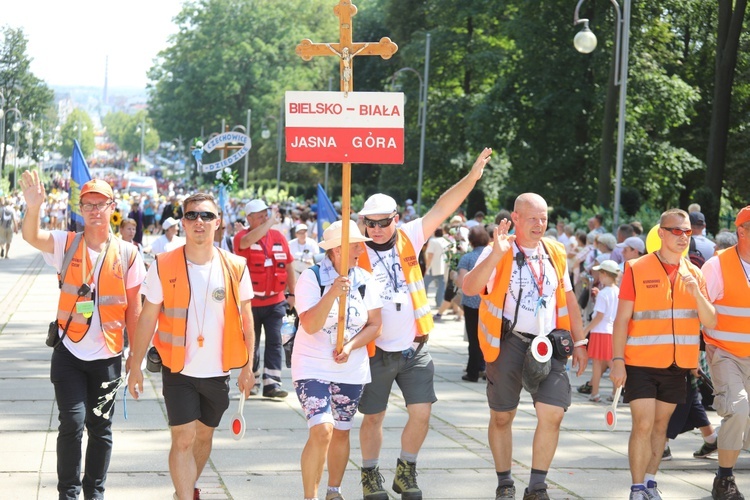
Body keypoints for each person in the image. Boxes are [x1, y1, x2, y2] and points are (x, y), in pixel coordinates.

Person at [356, 148, 493, 500]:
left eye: (383, 222)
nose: (377, 229)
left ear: (396, 219)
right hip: (374, 350)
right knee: (373, 418)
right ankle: (370, 474)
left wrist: (473, 176)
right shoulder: (354, 249)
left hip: (414, 346)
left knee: (422, 413)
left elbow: (443, 208)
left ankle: (406, 470)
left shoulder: (410, 236)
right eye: (369, 222)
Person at [20, 172, 146, 500]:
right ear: (80, 209)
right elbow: (32, 236)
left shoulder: (129, 254)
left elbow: (135, 308)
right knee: (72, 423)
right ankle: (68, 494)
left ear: (111, 207)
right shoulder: (66, 243)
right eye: (87, 204)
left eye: (100, 204)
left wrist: (136, 360)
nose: (93, 210)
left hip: (108, 357)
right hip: (69, 353)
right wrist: (33, 207)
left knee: (100, 429)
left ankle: (95, 493)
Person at [127, 193, 256, 500]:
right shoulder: (164, 264)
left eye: (207, 216)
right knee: (183, 438)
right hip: (178, 368)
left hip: (218, 370)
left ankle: (185, 489)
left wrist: (249, 367)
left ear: (219, 222)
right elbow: (147, 318)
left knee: (204, 437)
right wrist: (135, 365)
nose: (200, 222)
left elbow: (247, 321)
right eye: (193, 216)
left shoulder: (236, 266)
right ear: (183, 222)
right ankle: (186, 495)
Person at [462, 193, 587, 500]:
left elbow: (569, 298)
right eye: (532, 218)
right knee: (503, 416)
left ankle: (537, 486)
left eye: (543, 218)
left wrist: (581, 341)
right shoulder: (499, 250)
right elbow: (469, 288)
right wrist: (494, 254)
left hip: (549, 345)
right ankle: (505, 482)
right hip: (509, 343)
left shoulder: (556, 251)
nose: (539, 224)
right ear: (515, 218)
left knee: (553, 413)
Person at [610, 208, 717, 500]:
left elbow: (710, 320)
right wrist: (617, 361)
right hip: (639, 364)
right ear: (661, 233)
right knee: (642, 424)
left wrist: (697, 293)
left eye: (687, 231)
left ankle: (650, 482)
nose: (683, 236)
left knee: (661, 428)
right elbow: (620, 320)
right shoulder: (636, 268)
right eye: (676, 231)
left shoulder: (694, 272)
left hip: (677, 366)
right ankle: (635, 488)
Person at [293, 220, 383, 500]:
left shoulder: (366, 280)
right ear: (336, 249)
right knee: (323, 430)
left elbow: (375, 325)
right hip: (311, 365)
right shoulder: (312, 277)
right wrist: (332, 292)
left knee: (341, 432)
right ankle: (311, 496)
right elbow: (309, 324)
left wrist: (351, 345)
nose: (360, 249)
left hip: (351, 368)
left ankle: (334, 491)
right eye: (355, 244)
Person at [701, 205, 750, 500]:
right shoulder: (717, 266)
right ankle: (724, 480)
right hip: (725, 353)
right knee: (738, 408)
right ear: (741, 231)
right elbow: (699, 310)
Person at [233, 199, 296, 398]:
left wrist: (292, 293)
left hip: (275, 300)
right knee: (251, 343)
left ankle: (272, 384)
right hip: (250, 303)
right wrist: (269, 223)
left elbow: (288, 266)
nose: (264, 218)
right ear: (249, 218)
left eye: (265, 215)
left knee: (275, 341)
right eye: (259, 216)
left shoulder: (278, 236)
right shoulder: (241, 237)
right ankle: (252, 380)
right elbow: (245, 243)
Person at [582, 260, 620, 403]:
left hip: (600, 331)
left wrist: (586, 330)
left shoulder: (604, 293)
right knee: (612, 363)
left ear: (604, 274)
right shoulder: (618, 291)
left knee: (600, 364)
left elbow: (599, 316)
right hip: (612, 331)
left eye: (600, 273)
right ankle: (614, 393)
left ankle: (596, 393)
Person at [456, 225, 490, 382]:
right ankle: (485, 367)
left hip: (471, 303)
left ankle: (473, 371)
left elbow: (461, 281)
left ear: (470, 241)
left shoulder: (467, 258)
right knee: (488, 337)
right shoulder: (492, 257)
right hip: (489, 303)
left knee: (473, 338)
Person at [423, 228, 450, 310]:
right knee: (441, 286)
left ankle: (423, 302)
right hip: (443, 266)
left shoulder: (433, 241)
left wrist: (427, 266)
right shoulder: (446, 241)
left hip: (433, 266)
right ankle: (439, 302)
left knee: (424, 284)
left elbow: (430, 255)